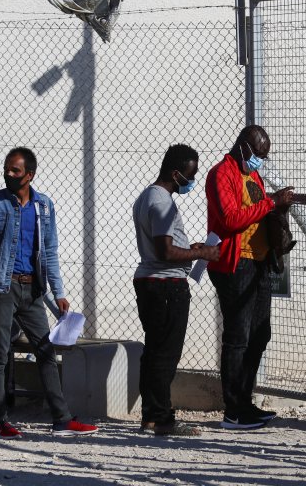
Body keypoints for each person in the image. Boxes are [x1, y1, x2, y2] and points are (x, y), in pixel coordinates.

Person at [0, 147, 98, 439]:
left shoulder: (44, 206)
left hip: (33, 290)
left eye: (15, 170)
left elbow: (50, 251)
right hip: (0, 288)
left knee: (45, 350)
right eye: (7, 168)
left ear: (29, 175)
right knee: (0, 354)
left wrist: (59, 292)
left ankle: (62, 419)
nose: (8, 173)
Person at [206, 125, 295, 430]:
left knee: (260, 333)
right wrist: (270, 203)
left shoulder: (251, 175)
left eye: (264, 157)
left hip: (259, 263)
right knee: (238, 336)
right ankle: (233, 409)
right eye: (258, 154)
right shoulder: (221, 174)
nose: (260, 161)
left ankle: (244, 399)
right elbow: (230, 218)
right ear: (244, 147)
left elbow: (257, 209)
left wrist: (276, 206)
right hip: (235, 263)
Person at [133, 144, 221, 437]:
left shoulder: (149, 196)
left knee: (156, 351)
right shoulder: (161, 202)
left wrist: (191, 249)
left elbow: (167, 246)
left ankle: (152, 417)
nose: (191, 181)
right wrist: (202, 254)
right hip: (165, 284)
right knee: (165, 354)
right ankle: (160, 418)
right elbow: (165, 251)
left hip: (156, 283)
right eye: (189, 175)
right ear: (175, 173)